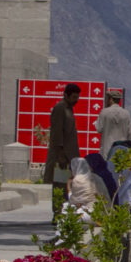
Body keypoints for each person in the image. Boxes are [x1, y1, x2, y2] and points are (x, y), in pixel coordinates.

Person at [44, 82, 82, 225]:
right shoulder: (60, 108)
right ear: (66, 95)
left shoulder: (69, 109)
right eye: (74, 97)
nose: (76, 100)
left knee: (67, 187)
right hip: (61, 157)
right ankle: (57, 214)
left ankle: (64, 213)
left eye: (77, 97)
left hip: (68, 157)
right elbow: (57, 133)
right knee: (59, 187)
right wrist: (60, 155)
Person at [93, 87, 131, 161]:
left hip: (107, 150)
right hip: (122, 150)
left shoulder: (104, 112)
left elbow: (99, 129)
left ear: (111, 99)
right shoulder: (126, 113)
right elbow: (130, 134)